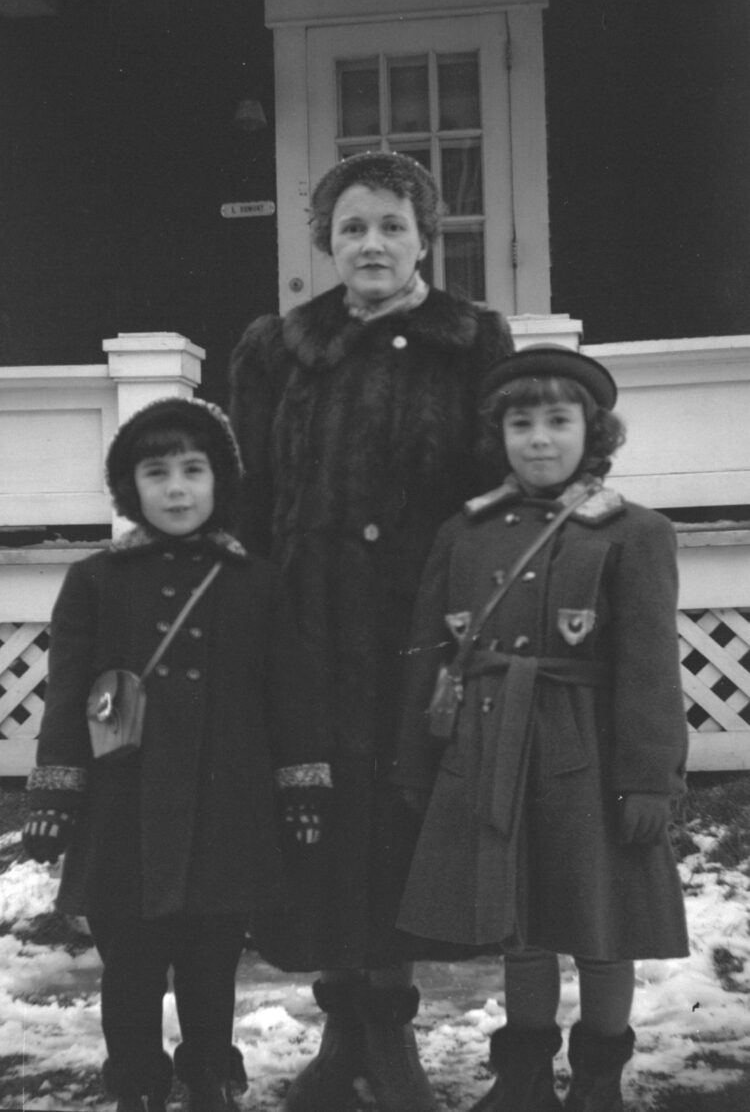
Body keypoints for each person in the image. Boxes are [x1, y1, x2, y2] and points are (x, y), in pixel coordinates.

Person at [228, 150, 514, 1112]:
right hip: (306, 624)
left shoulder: (473, 340)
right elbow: (252, 492)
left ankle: (390, 1034)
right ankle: (337, 1025)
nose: (372, 244)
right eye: (352, 227)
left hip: (417, 625)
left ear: (425, 236)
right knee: (317, 813)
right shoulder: (278, 347)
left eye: (392, 225)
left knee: (401, 811)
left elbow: (494, 479)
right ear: (325, 243)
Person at [392, 344, 689, 1112]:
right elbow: (431, 655)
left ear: (594, 434)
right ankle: (521, 1077)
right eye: (521, 423)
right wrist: (417, 762)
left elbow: (650, 671)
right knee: (516, 920)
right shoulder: (465, 531)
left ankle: (598, 1079)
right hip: (489, 748)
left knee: (599, 922)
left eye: (559, 421)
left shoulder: (634, 532)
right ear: (499, 437)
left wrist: (647, 779)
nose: (540, 439)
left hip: (583, 756)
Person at [22, 397, 332, 1112]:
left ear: (221, 482)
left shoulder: (256, 580)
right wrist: (54, 796)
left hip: (226, 810)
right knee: (129, 963)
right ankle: (135, 1081)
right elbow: (69, 698)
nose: (177, 488)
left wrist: (302, 786)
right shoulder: (95, 581)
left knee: (210, 959)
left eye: (194, 470)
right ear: (131, 488)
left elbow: (289, 696)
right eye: (156, 472)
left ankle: (207, 1076)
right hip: (121, 810)